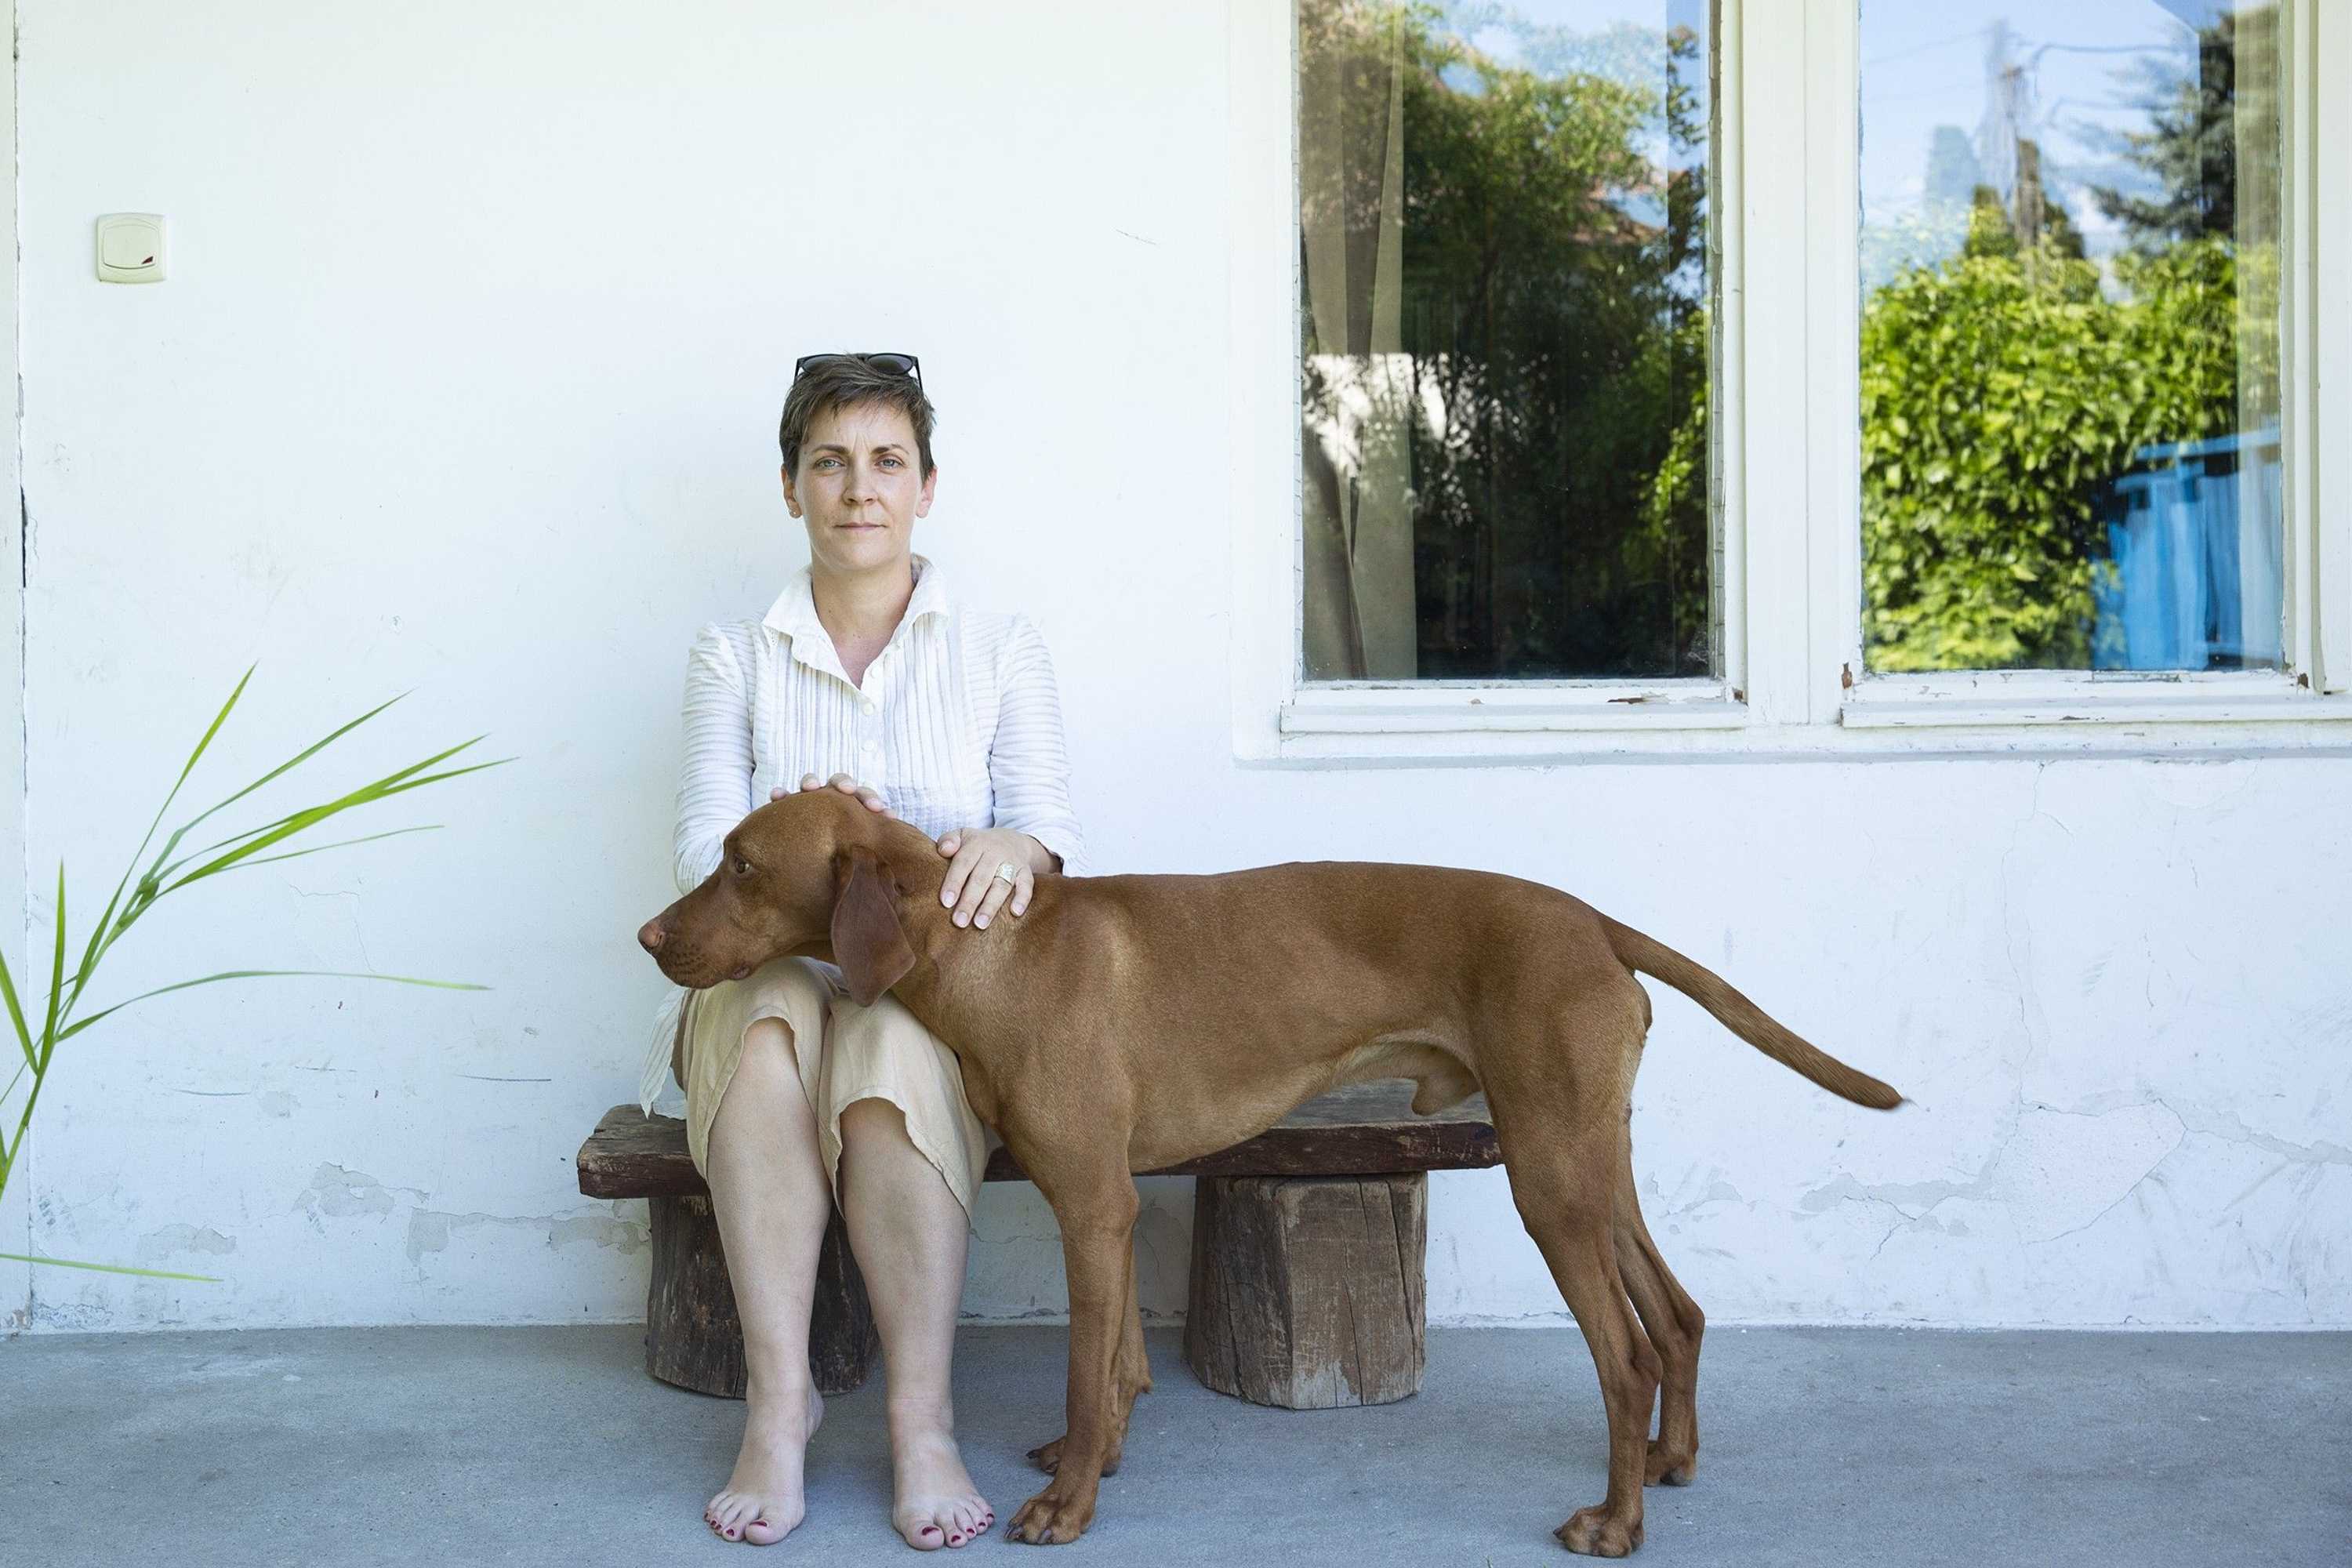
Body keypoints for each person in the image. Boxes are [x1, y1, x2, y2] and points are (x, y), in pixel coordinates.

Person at [638, 352, 1084, 1548]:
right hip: (768, 977)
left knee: (889, 1050)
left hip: (928, 998)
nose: (859, 488)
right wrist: (805, 822)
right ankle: (776, 1412)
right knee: (768, 1019)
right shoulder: (733, 653)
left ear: (927, 486)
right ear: (791, 487)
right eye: (829, 462)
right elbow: (704, 842)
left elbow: (1049, 828)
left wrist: (1003, 840)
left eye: (887, 461)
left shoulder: (996, 643)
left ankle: (920, 1425)